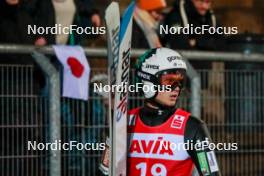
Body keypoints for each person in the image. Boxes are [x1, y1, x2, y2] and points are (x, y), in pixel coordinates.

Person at [127, 48, 221, 175]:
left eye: (180, 81)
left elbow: (210, 173)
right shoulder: (124, 121)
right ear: (147, 80)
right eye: (169, 81)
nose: (176, 88)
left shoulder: (192, 127)